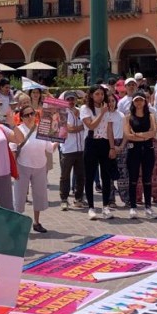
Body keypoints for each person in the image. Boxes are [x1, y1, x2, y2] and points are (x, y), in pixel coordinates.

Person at [13, 105, 55, 232]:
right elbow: (13, 148)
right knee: (19, 196)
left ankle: (37, 222)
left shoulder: (41, 129)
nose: (30, 117)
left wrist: (59, 140)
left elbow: (49, 148)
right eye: (26, 115)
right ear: (21, 118)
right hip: (22, 165)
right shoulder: (18, 130)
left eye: (32, 113)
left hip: (40, 165)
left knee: (39, 195)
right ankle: (18, 222)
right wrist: (14, 169)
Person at [123, 92, 157, 219]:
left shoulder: (150, 116)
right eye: (136, 100)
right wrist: (144, 136)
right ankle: (133, 207)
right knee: (133, 179)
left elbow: (153, 133)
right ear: (133, 102)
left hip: (148, 149)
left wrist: (138, 135)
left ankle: (148, 207)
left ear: (145, 102)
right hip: (133, 150)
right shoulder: (128, 117)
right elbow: (128, 135)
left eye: (141, 100)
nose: (139, 103)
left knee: (147, 179)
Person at [81, 85, 114, 220]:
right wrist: (101, 113)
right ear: (91, 95)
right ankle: (91, 207)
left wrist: (112, 147)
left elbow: (110, 129)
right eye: (97, 94)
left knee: (106, 176)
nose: (100, 96)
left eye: (101, 94)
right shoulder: (85, 109)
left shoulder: (108, 108)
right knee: (90, 176)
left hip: (104, 143)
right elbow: (91, 125)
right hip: (91, 142)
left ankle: (106, 206)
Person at [59, 91, 86, 211]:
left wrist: (79, 116)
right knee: (65, 176)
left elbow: (89, 123)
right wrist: (82, 127)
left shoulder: (81, 111)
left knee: (81, 175)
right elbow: (69, 129)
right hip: (68, 149)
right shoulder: (62, 112)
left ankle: (79, 198)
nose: (71, 101)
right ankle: (64, 199)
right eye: (68, 99)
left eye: (73, 99)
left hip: (81, 148)